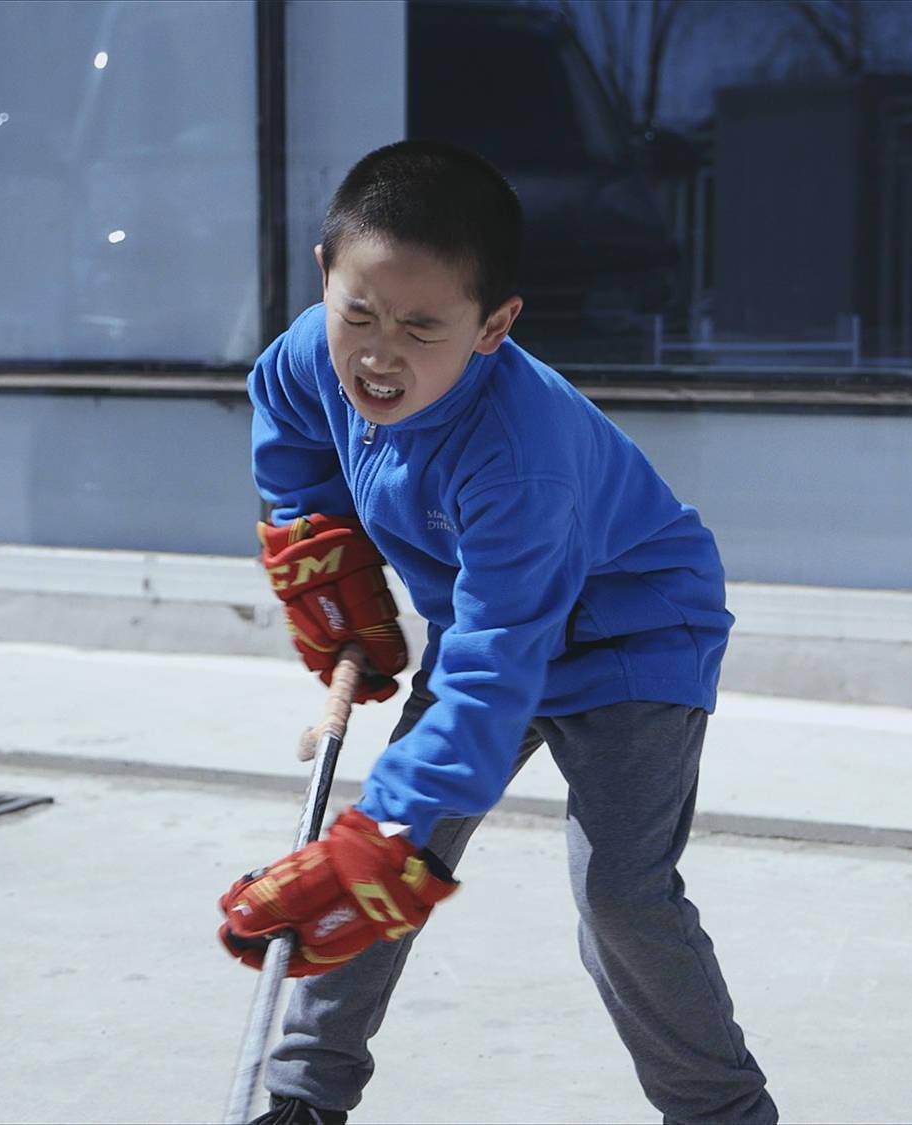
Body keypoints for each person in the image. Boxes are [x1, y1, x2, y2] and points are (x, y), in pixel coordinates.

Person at [218, 140, 777, 1125]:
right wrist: (322, 549)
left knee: (614, 893)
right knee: (387, 850)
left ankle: (722, 1115)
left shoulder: (518, 460)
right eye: (359, 313)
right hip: (488, 624)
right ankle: (305, 1103)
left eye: (422, 326)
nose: (379, 354)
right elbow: (291, 428)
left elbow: (493, 671)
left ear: (493, 325)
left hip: (630, 638)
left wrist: (381, 839)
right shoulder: (314, 350)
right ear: (326, 276)